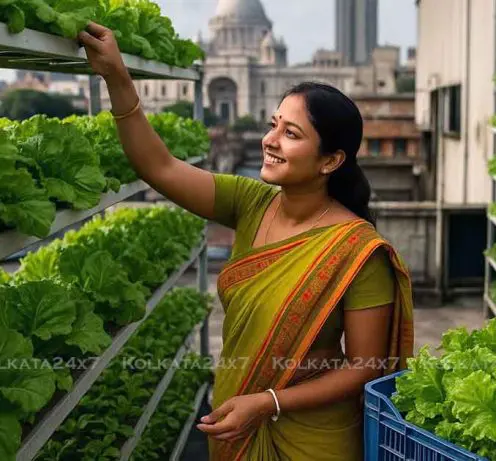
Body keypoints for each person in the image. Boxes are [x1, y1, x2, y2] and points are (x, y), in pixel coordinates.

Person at [79, 23, 414, 461]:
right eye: (274, 124)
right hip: (237, 417)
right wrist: (118, 78)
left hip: (313, 438)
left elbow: (364, 368)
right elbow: (158, 167)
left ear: (331, 160)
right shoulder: (251, 203)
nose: (269, 141)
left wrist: (268, 402)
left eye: (291, 134)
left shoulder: (357, 251)